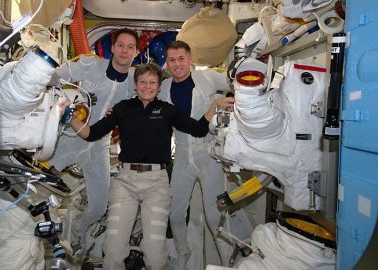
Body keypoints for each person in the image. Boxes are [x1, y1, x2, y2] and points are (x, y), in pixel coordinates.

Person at [70, 63, 235, 270]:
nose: (147, 86)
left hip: (157, 184)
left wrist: (215, 105)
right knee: (112, 251)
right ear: (136, 85)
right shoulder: (123, 108)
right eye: (143, 82)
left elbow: (199, 129)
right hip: (125, 182)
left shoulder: (167, 110)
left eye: (152, 83)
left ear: (159, 88)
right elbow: (92, 133)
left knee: (155, 256)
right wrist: (70, 117)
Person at [47, 28, 139, 256]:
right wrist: (58, 100)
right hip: (68, 137)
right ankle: (44, 232)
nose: (124, 51)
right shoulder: (90, 65)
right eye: (120, 45)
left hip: (98, 147)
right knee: (42, 185)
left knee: (98, 207)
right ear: (112, 47)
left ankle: (77, 229)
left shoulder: (135, 82)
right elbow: (55, 75)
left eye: (130, 47)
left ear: (136, 52)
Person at [159, 40, 238, 268]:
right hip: (183, 156)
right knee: (174, 214)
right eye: (172, 60)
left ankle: (227, 262)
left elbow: (237, 83)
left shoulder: (208, 77)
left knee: (215, 218)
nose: (177, 65)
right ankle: (183, 253)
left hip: (210, 156)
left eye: (181, 59)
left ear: (190, 59)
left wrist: (228, 99)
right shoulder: (164, 89)